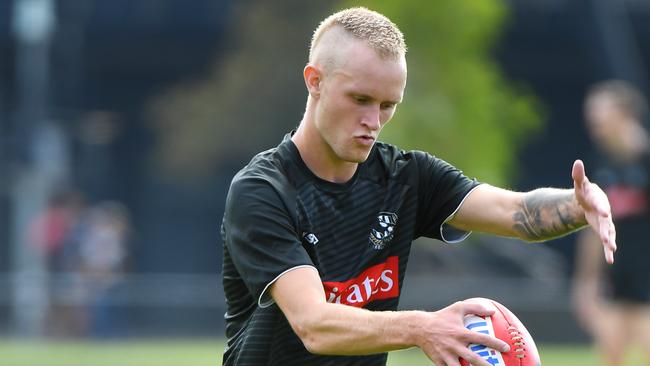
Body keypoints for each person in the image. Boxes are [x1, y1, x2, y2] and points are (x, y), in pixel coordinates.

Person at [221, 7, 616, 366]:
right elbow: (314, 324)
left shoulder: (406, 177)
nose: (373, 121)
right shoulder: (263, 191)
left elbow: (516, 212)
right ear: (315, 81)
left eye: (388, 104)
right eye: (360, 99)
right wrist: (422, 328)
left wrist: (577, 206)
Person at [572, 80, 650, 366]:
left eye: (600, 113)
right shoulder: (602, 167)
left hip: (647, 285)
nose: (594, 121)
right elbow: (591, 231)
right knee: (611, 358)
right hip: (617, 283)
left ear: (625, 113)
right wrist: (586, 283)